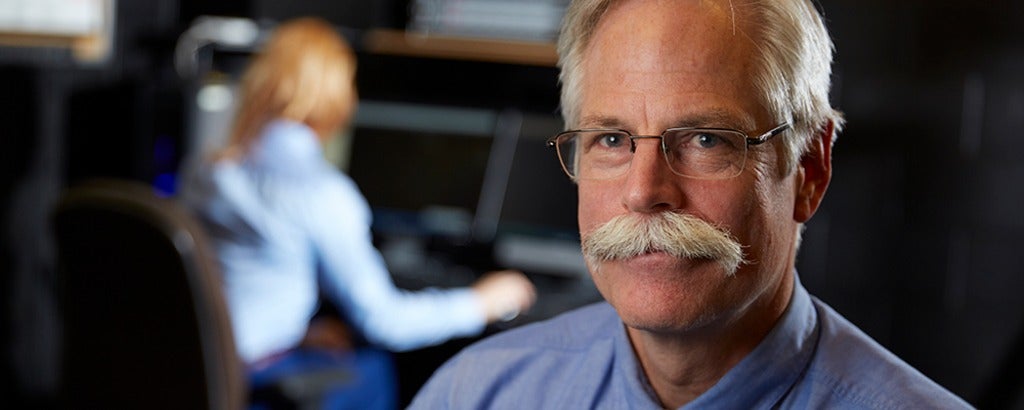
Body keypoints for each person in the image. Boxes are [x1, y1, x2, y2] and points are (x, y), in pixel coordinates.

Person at [410, 0, 972, 408]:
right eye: (611, 140)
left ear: (809, 169)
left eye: (707, 139)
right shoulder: (475, 394)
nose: (643, 191)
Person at [179, 17, 536, 408]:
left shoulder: (206, 171)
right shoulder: (322, 193)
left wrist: (298, 332)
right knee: (374, 367)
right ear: (338, 96)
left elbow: (237, 282)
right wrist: (482, 302)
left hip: (199, 364)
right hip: (253, 379)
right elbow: (385, 322)